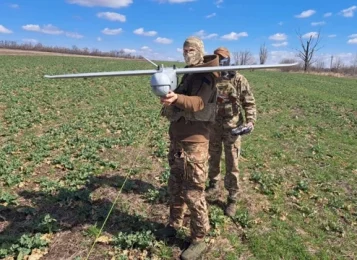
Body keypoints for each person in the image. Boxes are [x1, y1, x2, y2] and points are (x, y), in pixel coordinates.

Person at [157, 36, 219, 260]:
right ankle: (173, 225)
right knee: (175, 185)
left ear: (200, 50)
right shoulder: (188, 73)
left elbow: (198, 103)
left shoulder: (207, 76)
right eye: (184, 50)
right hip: (177, 139)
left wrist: (177, 98)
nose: (186, 53)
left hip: (195, 143)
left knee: (193, 192)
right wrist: (166, 94)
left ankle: (199, 238)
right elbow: (177, 96)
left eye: (191, 49)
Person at [206, 47, 257, 217]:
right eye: (216, 58)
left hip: (232, 128)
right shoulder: (210, 77)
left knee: (232, 163)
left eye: (222, 58)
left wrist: (250, 121)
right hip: (213, 126)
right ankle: (213, 184)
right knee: (212, 157)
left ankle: (232, 198)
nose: (219, 61)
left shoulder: (239, 79)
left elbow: (249, 102)